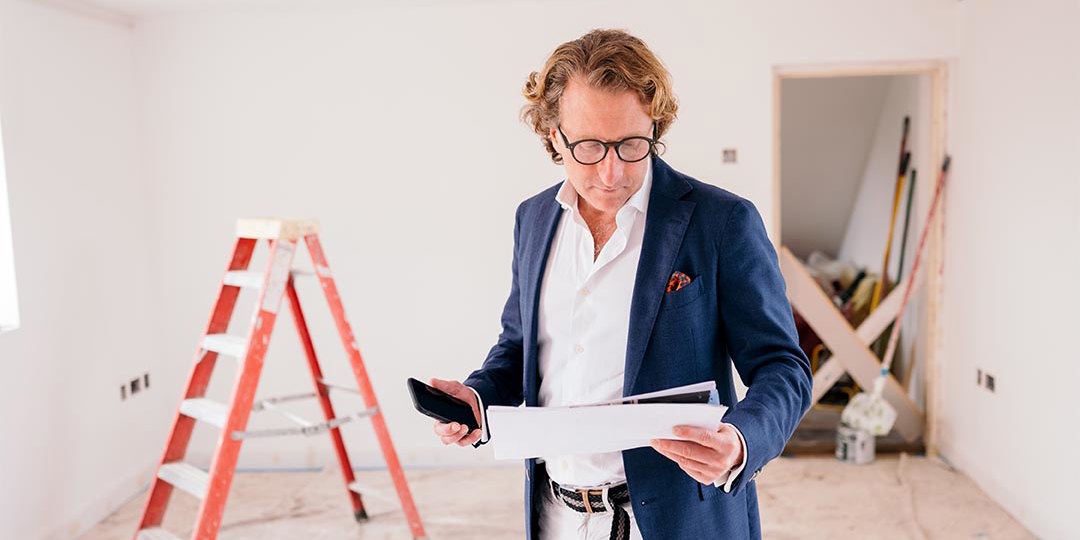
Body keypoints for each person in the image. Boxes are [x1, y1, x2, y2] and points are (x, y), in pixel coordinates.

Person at [429, 28, 811, 540]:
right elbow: (521, 347)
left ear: (655, 126)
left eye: (632, 144)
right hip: (556, 515)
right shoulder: (534, 219)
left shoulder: (722, 222)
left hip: (679, 520)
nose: (611, 173)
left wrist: (743, 439)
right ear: (553, 136)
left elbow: (783, 366)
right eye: (588, 146)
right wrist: (477, 397)